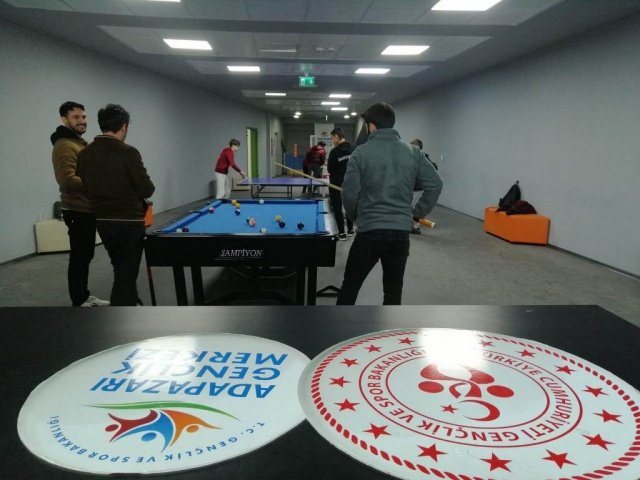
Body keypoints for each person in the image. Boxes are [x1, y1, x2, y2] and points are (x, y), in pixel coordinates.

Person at [337, 103, 442, 305]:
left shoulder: (360, 153)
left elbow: (349, 193)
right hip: (400, 234)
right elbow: (435, 184)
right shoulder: (413, 152)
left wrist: (355, 216)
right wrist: (416, 213)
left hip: (369, 232)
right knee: (393, 294)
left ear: (371, 126)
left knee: (349, 288)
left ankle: (340, 326)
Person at [77, 104, 155, 306]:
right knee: (126, 273)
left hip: (103, 221)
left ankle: (131, 301)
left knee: (120, 267)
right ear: (124, 126)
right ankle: (120, 312)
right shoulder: (128, 152)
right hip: (129, 222)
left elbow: (85, 186)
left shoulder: (85, 154)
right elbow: (147, 189)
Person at [51, 101, 109, 307]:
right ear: (64, 119)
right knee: (80, 257)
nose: (82, 121)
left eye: (83, 117)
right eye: (76, 117)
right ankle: (79, 300)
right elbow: (67, 179)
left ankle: (84, 296)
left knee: (85, 255)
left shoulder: (77, 142)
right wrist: (96, 183)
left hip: (86, 208)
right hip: (77, 209)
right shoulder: (64, 145)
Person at [327, 128, 354, 240]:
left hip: (336, 184)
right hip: (351, 183)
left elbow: (329, 169)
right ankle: (351, 229)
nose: (332, 140)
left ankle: (342, 233)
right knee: (349, 206)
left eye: (332, 138)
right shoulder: (353, 149)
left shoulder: (334, 152)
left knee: (337, 207)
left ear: (337, 136)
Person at [409, 138, 439, 234]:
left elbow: (434, 167)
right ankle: (413, 226)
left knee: (413, 207)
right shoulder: (419, 157)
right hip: (414, 187)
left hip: (417, 188)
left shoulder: (421, 158)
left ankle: (415, 227)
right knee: (412, 207)